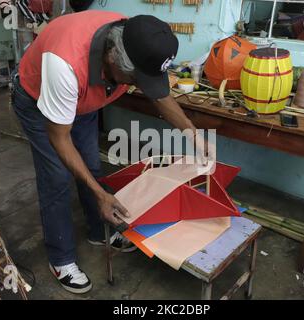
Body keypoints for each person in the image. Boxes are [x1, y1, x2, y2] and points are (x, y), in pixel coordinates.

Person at [11, 11, 212, 294]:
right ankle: (61, 258)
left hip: (82, 100)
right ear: (112, 59)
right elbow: (60, 138)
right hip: (39, 99)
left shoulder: (138, 38)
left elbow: (160, 95)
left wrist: (193, 134)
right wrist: (101, 194)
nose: (138, 85)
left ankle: (99, 232)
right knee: (56, 177)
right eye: (135, 79)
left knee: (91, 166)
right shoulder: (65, 64)